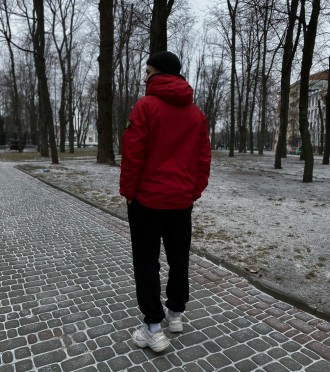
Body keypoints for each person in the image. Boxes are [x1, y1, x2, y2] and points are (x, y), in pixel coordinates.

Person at [119, 51, 211, 352]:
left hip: (147, 201)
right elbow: (202, 160)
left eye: (147, 71)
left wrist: (129, 193)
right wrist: (192, 192)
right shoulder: (196, 114)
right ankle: (175, 315)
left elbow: (133, 155)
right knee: (179, 259)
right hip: (180, 202)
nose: (144, 76)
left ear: (157, 73)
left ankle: (153, 329)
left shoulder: (145, 107)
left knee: (147, 263)